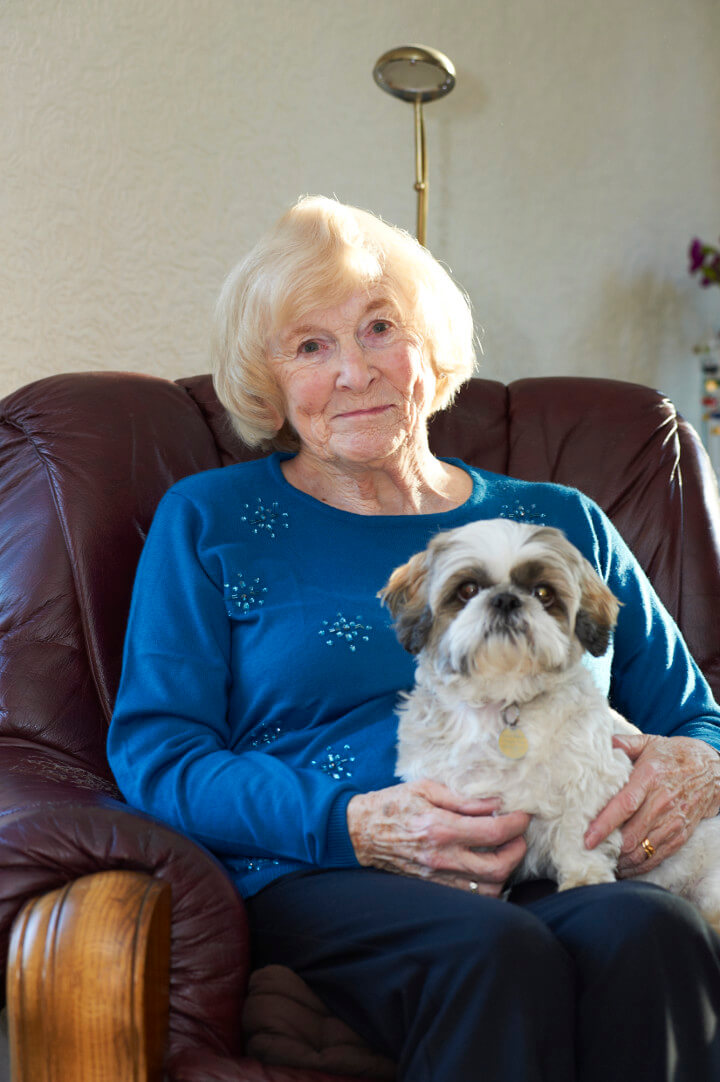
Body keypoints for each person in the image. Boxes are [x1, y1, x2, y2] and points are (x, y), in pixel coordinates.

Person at [108, 196, 720, 1082]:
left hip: (562, 852)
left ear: (430, 350)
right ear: (271, 382)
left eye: (379, 328)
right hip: (327, 870)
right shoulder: (212, 520)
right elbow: (158, 753)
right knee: (492, 952)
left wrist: (692, 769)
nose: (354, 371)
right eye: (311, 346)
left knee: (654, 931)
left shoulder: (558, 522)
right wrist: (349, 823)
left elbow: (697, 715)